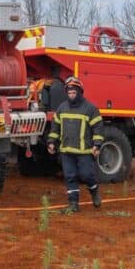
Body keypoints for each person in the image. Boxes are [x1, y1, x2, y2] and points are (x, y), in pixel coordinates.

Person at [46, 76, 103, 212]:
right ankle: (73, 204)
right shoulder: (62, 108)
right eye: (69, 93)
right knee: (70, 177)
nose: (71, 95)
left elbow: (98, 128)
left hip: (84, 151)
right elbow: (55, 127)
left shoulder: (90, 108)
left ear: (79, 92)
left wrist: (97, 144)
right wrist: (51, 142)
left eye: (73, 92)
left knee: (87, 175)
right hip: (66, 151)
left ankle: (94, 191)